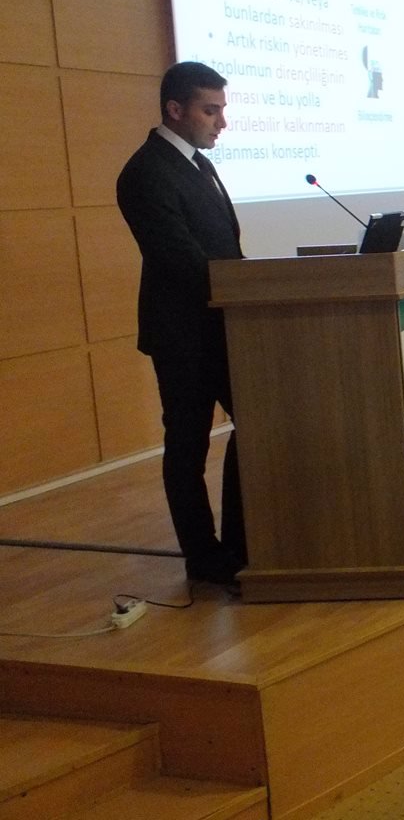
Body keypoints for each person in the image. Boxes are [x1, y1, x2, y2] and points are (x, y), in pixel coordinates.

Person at [116, 61, 247, 586]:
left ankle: (243, 542)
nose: (222, 123)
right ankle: (203, 557)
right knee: (188, 446)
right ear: (175, 109)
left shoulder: (199, 164)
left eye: (222, 110)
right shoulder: (145, 172)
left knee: (256, 424)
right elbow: (180, 259)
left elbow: (225, 245)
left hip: (225, 327)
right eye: (210, 111)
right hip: (183, 336)